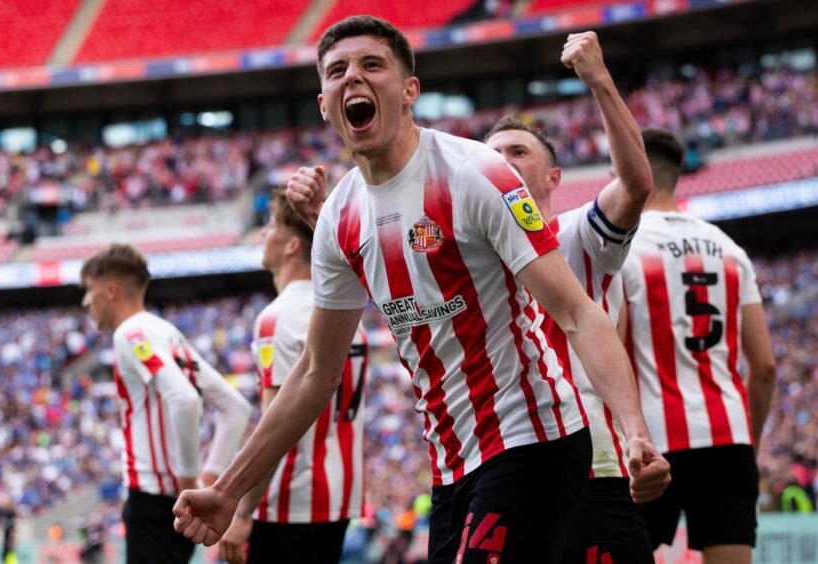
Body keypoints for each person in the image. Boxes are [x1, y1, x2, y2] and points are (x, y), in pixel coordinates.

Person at [173, 16, 670, 564]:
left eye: (371, 65)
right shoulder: (339, 217)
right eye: (337, 71)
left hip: (534, 437)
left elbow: (575, 311)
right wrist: (228, 489)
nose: (353, 78)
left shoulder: (474, 174)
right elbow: (316, 373)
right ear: (324, 103)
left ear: (410, 90)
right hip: (452, 463)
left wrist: (634, 432)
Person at [483, 31, 655, 564]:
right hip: (505, 469)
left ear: (554, 177)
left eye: (519, 151)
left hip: (591, 466)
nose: (504, 162)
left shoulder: (577, 235)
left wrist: (600, 81)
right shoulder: (473, 259)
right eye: (493, 156)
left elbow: (635, 184)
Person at [620, 128, 776, 563]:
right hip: (728, 435)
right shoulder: (730, 249)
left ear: (625, 169)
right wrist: (750, 442)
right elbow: (763, 365)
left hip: (651, 443)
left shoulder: (625, 247)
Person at [217, 190, 368, 564]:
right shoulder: (346, 318)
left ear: (291, 246)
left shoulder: (278, 317)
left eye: (270, 226)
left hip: (289, 502)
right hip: (339, 495)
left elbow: (277, 422)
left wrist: (240, 510)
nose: (263, 234)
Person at [80, 243, 252, 564]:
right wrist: (209, 476)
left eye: (89, 290)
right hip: (171, 506)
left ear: (110, 290)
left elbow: (184, 399)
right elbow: (235, 407)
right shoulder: (167, 332)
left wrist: (190, 483)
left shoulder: (129, 333)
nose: (85, 301)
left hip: (152, 501)